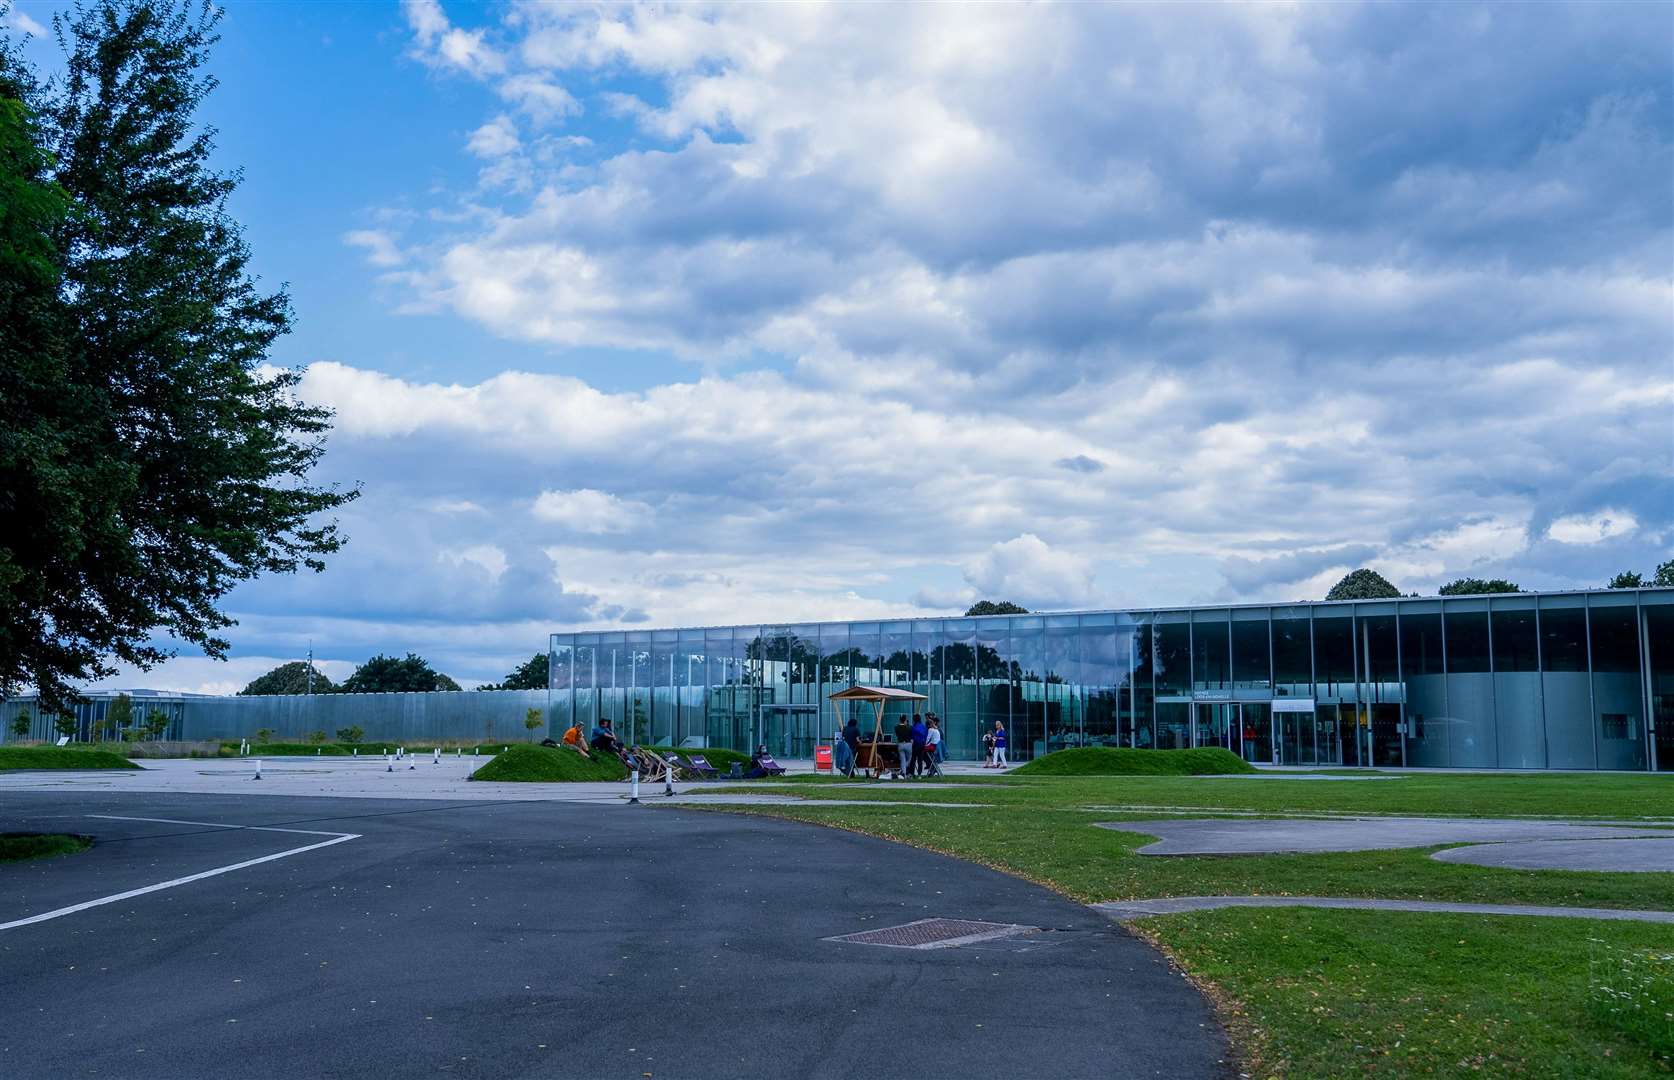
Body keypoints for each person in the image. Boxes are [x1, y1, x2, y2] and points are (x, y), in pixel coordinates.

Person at [893, 713, 913, 780]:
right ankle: (904, 770)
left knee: (902, 760)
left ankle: (903, 773)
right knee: (909, 759)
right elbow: (911, 735)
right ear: (905, 720)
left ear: (899, 720)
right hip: (908, 744)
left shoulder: (896, 727)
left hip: (900, 744)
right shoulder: (909, 727)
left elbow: (897, 734)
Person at [909, 713, 929, 777]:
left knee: (913, 759)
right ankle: (919, 773)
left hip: (916, 744)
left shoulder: (914, 727)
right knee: (920, 760)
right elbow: (926, 735)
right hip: (922, 744)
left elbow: (912, 737)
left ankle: (912, 773)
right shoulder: (923, 726)